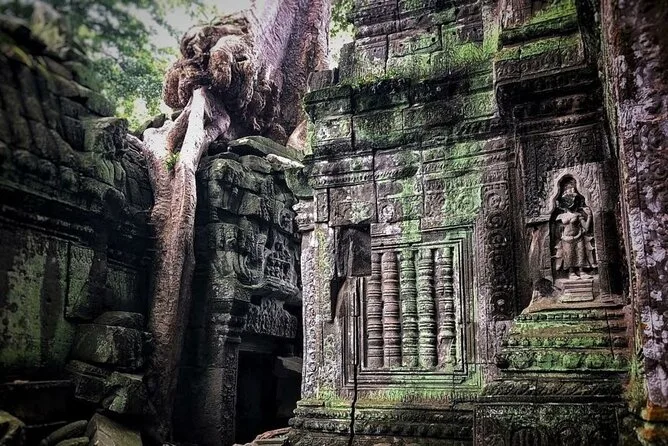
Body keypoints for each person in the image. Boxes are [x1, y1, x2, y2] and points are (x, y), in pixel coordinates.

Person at [553, 179, 596, 279]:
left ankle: (582, 271)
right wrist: (562, 237)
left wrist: (589, 216)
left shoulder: (578, 214)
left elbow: (586, 227)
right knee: (569, 255)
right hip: (566, 239)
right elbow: (557, 232)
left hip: (578, 237)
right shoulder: (561, 216)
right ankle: (571, 272)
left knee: (580, 254)